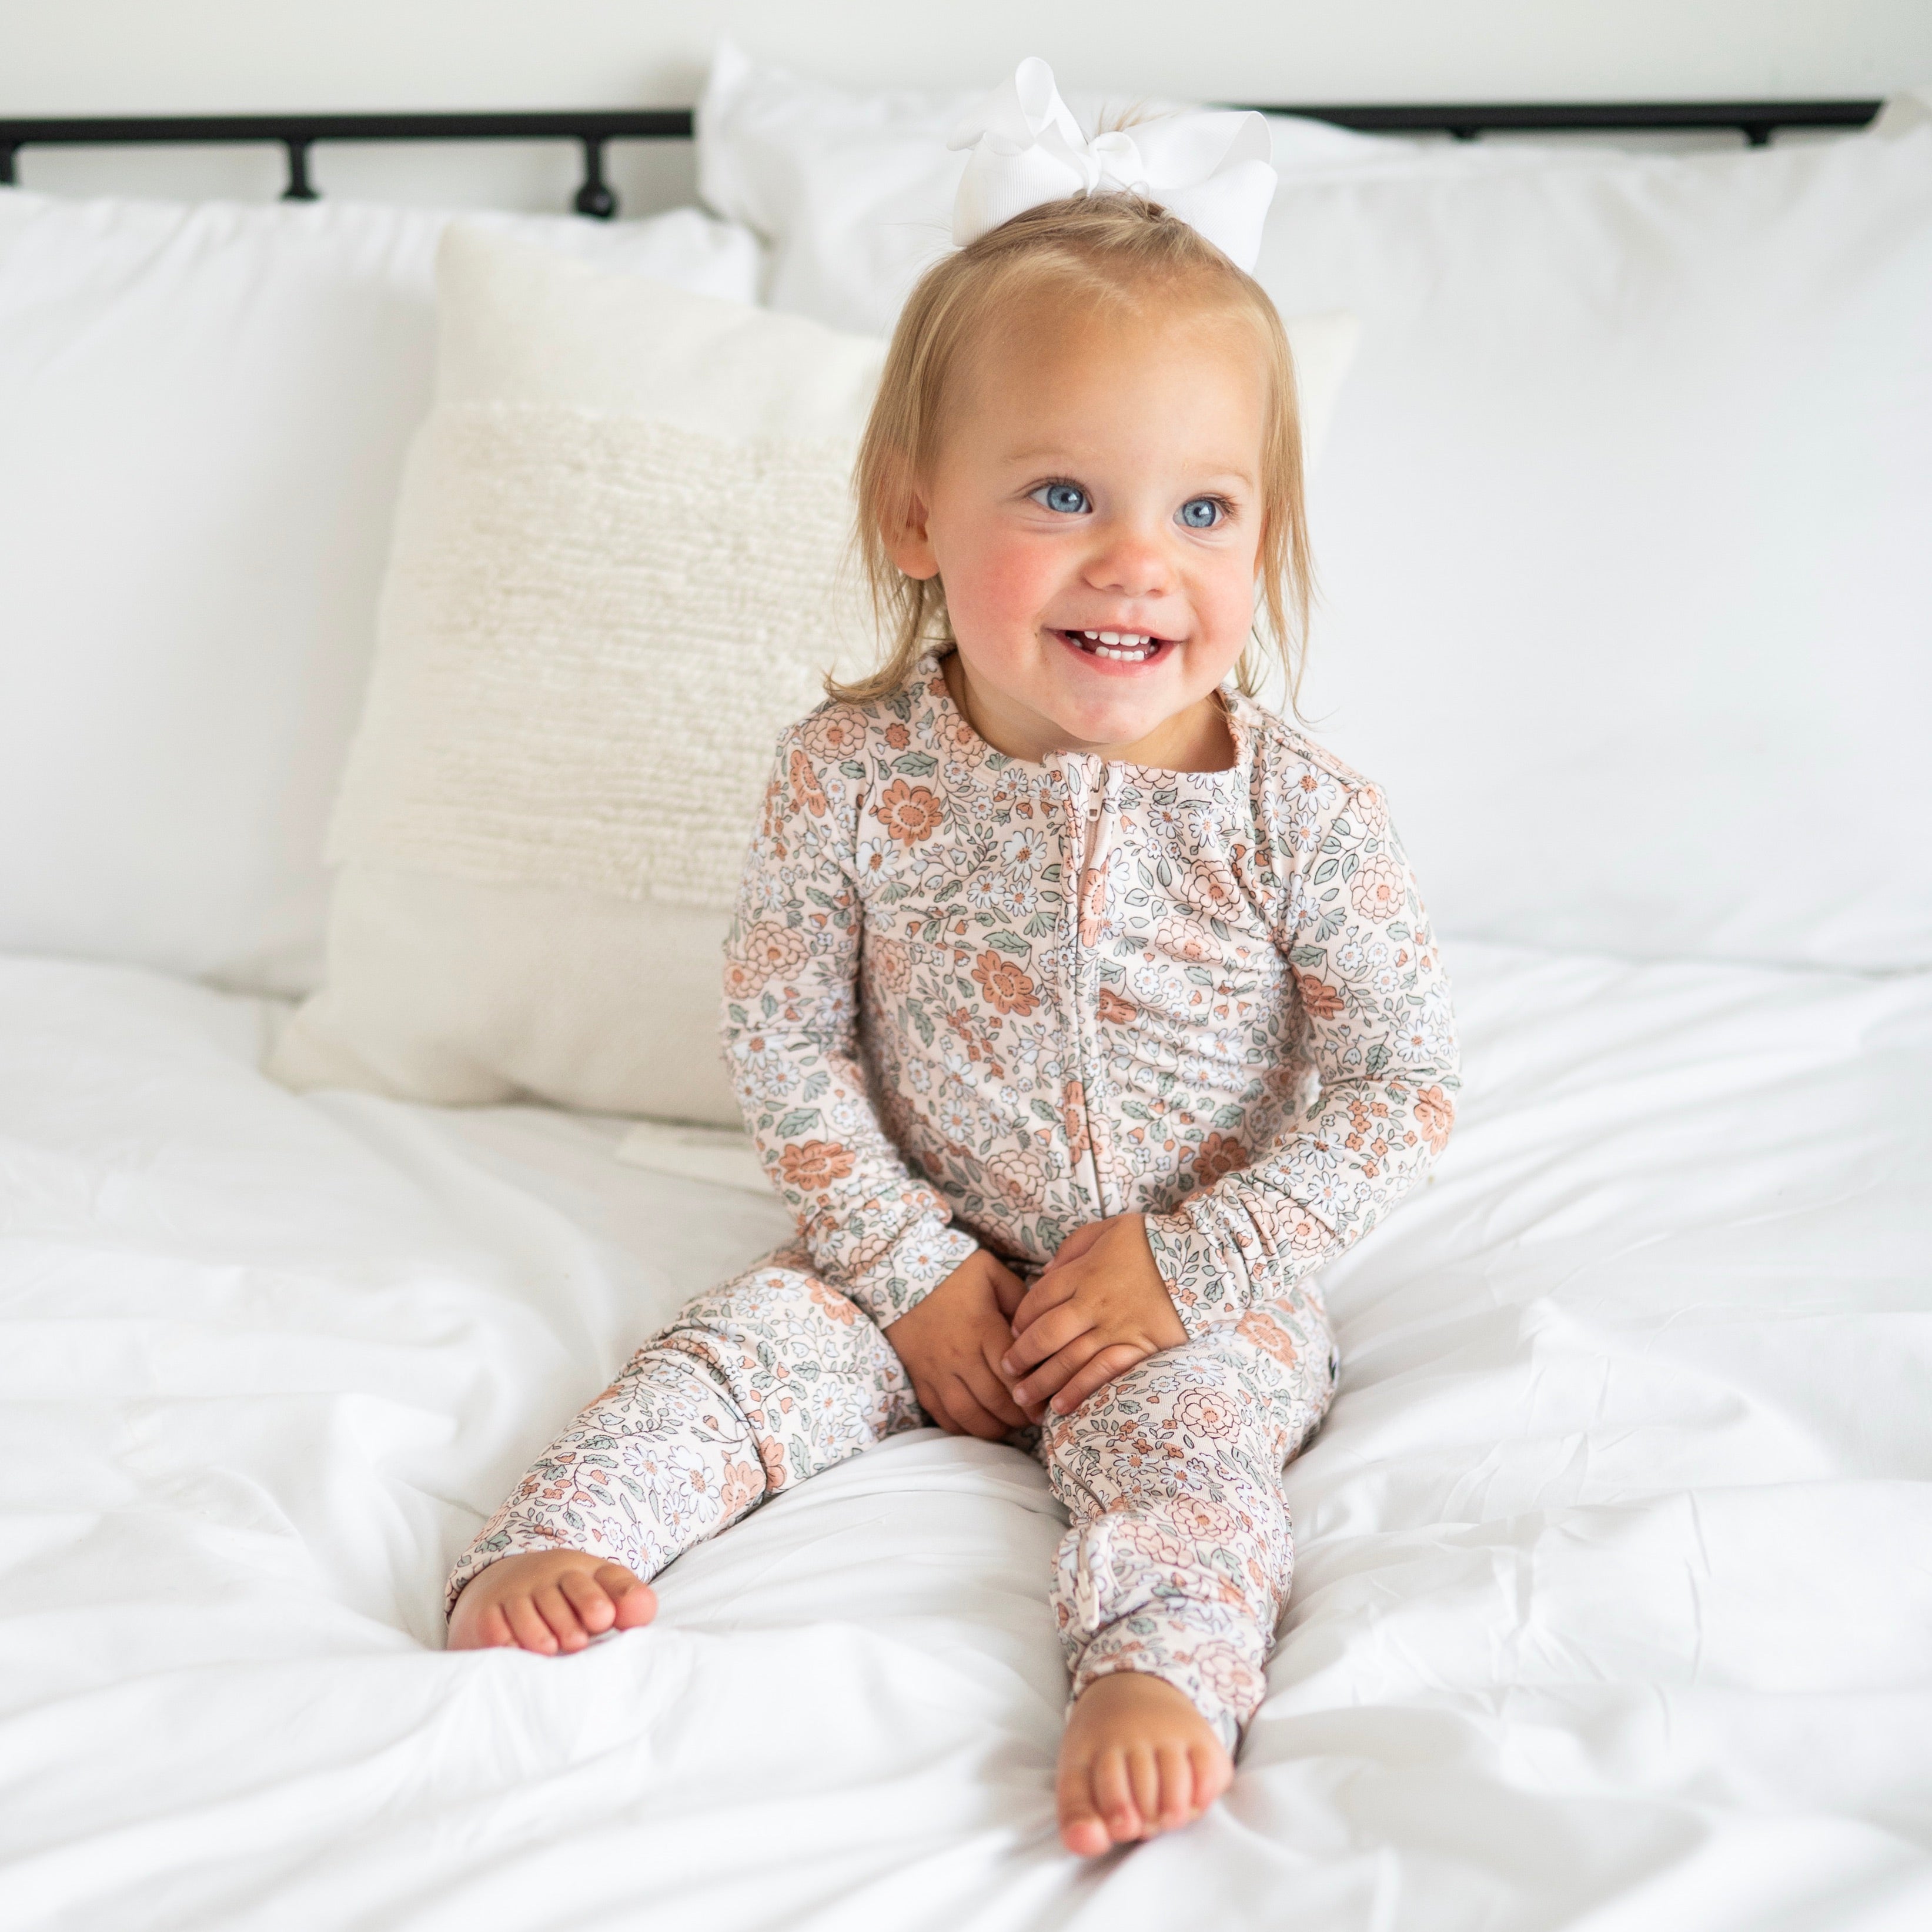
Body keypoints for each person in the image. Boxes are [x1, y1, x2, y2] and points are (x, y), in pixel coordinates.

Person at [444, 60, 1459, 1858]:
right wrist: (907, 1266)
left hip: (1174, 1288)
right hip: (907, 1262)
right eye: (1063, 493)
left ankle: (1156, 1670)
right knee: (730, 1356)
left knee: (1196, 1458)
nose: (1139, 561)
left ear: (1263, 539)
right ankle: (562, 1539)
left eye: (1204, 512)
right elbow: (786, 1047)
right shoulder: (852, 773)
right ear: (917, 518)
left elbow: (1402, 1082)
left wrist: (1192, 1264)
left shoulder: (1306, 814)